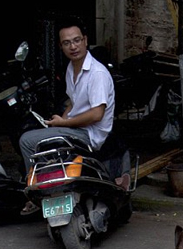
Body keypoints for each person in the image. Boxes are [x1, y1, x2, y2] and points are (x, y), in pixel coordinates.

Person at [19, 16, 115, 213]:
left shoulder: (97, 73)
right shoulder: (72, 69)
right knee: (43, 136)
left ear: (86, 40)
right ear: (61, 47)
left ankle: (40, 191)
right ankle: (53, 185)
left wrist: (65, 123)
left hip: (90, 135)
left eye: (77, 40)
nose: (73, 46)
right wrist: (60, 123)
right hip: (75, 129)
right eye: (67, 43)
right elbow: (73, 103)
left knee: (27, 141)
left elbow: (97, 114)